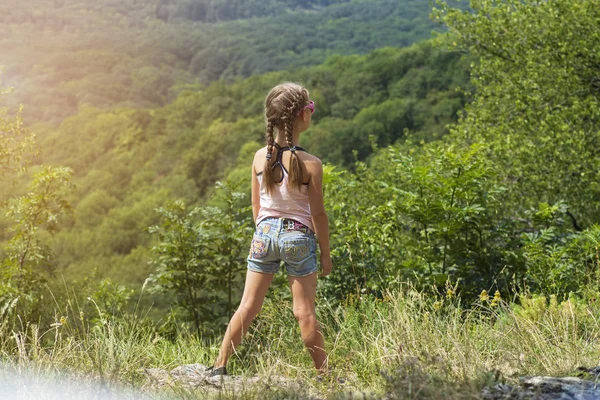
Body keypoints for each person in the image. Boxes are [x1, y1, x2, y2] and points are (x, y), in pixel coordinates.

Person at [209, 82, 333, 377]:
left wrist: (267, 233)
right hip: (298, 236)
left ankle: (219, 366)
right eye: (311, 109)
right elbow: (318, 214)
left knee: (248, 306)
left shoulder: (258, 157)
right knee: (303, 311)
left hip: (263, 234)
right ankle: (325, 375)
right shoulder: (311, 164)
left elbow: (255, 205)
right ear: (303, 115)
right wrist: (325, 253)